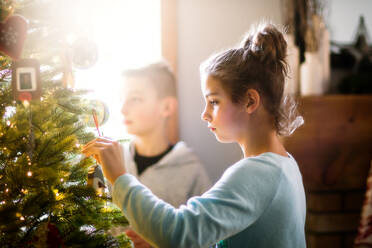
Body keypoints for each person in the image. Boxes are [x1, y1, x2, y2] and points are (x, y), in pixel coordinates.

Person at [83, 23, 307, 248]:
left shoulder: (256, 173)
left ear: (250, 101)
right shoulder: (286, 165)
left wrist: (120, 178)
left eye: (214, 102)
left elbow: (180, 232)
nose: (205, 114)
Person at [113, 62, 211, 247]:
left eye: (135, 99)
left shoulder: (191, 172)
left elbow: (205, 238)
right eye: (121, 98)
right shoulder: (114, 163)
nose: (123, 109)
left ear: (166, 107)